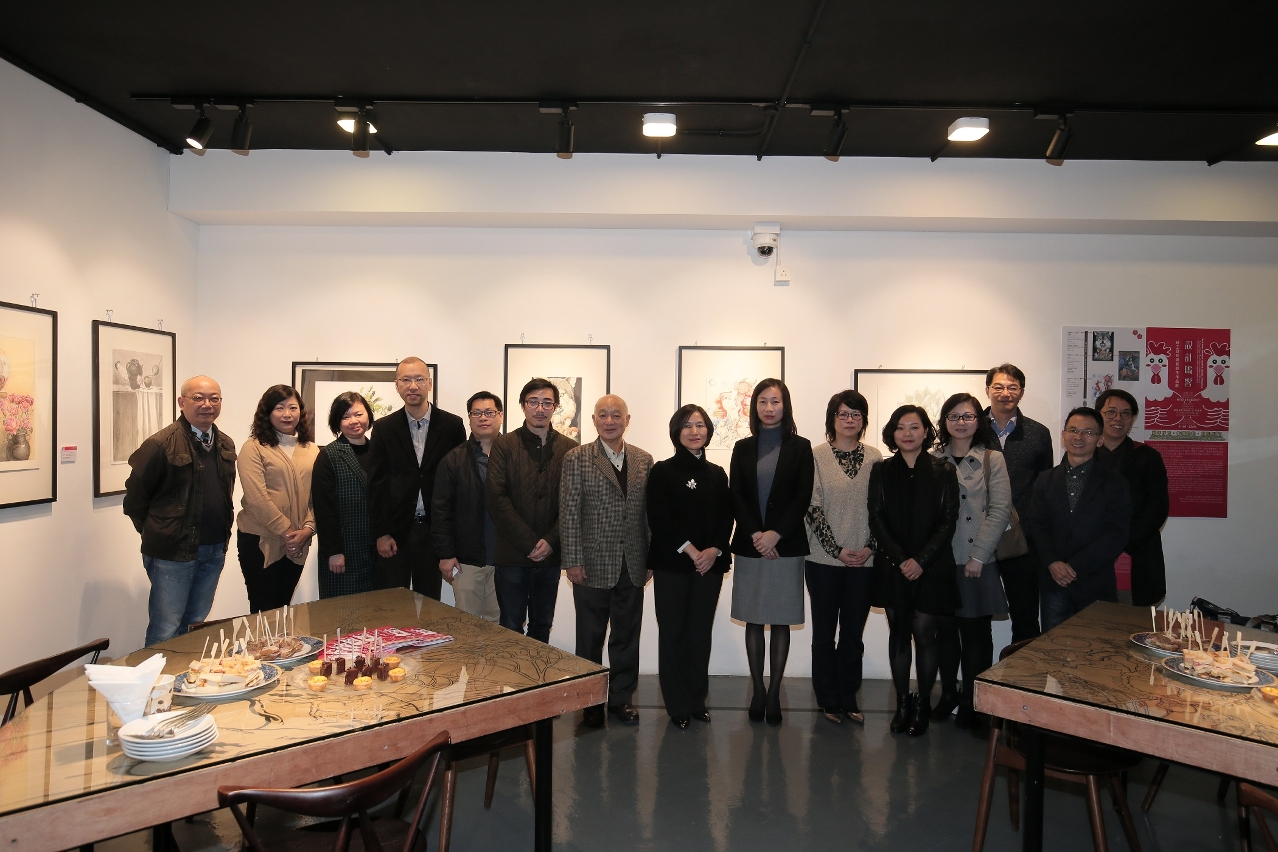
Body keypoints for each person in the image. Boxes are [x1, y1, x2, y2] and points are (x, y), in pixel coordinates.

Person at [561, 395, 654, 727]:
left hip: (633, 562)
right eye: (604, 415)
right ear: (594, 420)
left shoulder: (644, 460)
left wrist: (650, 559)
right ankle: (589, 702)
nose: (611, 420)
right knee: (590, 637)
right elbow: (569, 512)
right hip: (590, 563)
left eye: (617, 415)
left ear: (627, 420)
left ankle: (621, 700)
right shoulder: (577, 458)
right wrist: (572, 560)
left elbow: (648, 516)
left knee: (626, 636)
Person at [867, 405, 960, 737]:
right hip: (893, 567)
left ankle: (922, 705)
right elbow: (876, 517)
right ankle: (902, 704)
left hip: (931, 568)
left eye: (914, 427)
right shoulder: (881, 470)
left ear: (926, 432)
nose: (907, 433)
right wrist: (900, 558)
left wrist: (920, 560)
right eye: (900, 427)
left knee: (925, 636)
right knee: (898, 635)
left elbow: (948, 521)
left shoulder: (943, 471)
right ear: (892, 434)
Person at [124, 376, 237, 646]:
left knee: (195, 623)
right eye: (198, 398)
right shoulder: (160, 444)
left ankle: (183, 684)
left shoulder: (225, 444)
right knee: (166, 628)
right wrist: (161, 531)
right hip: (172, 554)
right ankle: (156, 687)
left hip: (213, 549)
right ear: (181, 402)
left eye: (214, 398)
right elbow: (135, 501)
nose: (207, 404)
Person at [729, 379, 814, 727]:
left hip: (787, 545)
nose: (768, 408)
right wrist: (756, 535)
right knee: (753, 618)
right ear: (755, 407)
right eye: (762, 401)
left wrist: (776, 534)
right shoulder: (742, 446)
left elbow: (802, 496)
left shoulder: (801, 446)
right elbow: (737, 495)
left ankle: (775, 690)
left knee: (780, 619)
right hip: (751, 547)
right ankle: (758, 690)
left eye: (775, 401)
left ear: (785, 405)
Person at [647, 404, 733, 730]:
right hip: (673, 565)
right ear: (676, 432)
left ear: (708, 430)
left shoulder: (717, 473)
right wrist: (693, 550)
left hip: (709, 566)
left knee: (700, 634)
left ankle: (697, 701)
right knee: (673, 634)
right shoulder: (663, 470)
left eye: (700, 425)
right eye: (687, 426)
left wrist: (713, 550)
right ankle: (677, 705)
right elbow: (660, 518)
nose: (694, 431)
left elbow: (727, 516)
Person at [931, 393, 1011, 728]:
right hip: (940, 561)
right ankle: (948, 692)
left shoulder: (993, 458)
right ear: (944, 422)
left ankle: (973, 703)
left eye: (968, 416)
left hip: (977, 561)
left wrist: (979, 556)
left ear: (979, 420)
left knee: (976, 635)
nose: (960, 422)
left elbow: (999, 510)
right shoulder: (932, 458)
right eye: (953, 416)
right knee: (945, 633)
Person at [803, 390, 882, 725]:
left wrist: (869, 547)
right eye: (843, 414)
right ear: (831, 419)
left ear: (863, 421)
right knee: (823, 634)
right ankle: (827, 699)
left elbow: (882, 510)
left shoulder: (876, 457)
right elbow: (812, 507)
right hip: (823, 561)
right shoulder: (816, 456)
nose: (849, 420)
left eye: (856, 414)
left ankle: (849, 696)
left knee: (852, 634)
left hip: (865, 561)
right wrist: (836, 549)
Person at [368, 357, 466, 599]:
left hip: (435, 532)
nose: (413, 386)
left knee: (430, 604)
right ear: (397, 385)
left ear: (429, 384)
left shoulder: (452, 426)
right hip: (395, 533)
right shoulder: (383, 428)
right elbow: (376, 484)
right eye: (406, 380)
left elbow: (460, 483)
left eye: (419, 379)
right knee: (391, 605)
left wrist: (451, 538)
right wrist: (381, 533)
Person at [1028, 407, 1132, 632]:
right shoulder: (1045, 480)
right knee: (1053, 654)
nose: (1079, 437)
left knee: (1096, 657)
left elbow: (1116, 534)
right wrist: (1053, 563)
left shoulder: (1116, 484)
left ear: (1100, 439)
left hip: (1096, 583)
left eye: (1088, 432)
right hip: (1053, 583)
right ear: (1063, 435)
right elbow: (1037, 526)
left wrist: (1075, 567)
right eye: (1073, 430)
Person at [487, 378, 574, 642]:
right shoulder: (504, 445)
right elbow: (496, 497)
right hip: (512, 554)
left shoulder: (570, 449)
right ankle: (513, 684)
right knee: (511, 625)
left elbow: (572, 503)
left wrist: (550, 541)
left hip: (551, 556)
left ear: (555, 407)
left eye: (547, 403)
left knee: (541, 625)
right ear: (523, 406)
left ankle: (539, 683)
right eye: (533, 402)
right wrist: (529, 542)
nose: (540, 408)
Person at [984, 363, 1054, 643]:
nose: (1005, 393)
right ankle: (979, 683)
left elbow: (1044, 488)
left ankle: (1022, 684)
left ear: (1021, 392)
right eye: (998, 386)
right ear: (987, 390)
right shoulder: (972, 427)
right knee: (977, 615)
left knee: (1025, 616)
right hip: (978, 537)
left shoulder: (1038, 433)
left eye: (1012, 387)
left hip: (1022, 540)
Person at [236, 385, 320, 612]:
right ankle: (262, 649)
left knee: (283, 608)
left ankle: (281, 649)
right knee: (263, 609)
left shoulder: (311, 449)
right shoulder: (253, 448)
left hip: (299, 541)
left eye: (293, 408)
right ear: (267, 412)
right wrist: (288, 533)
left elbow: (317, 496)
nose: (287, 414)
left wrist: (307, 529)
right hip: (260, 541)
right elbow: (257, 499)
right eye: (279, 408)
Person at [431, 391, 504, 622]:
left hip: (506, 560)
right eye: (477, 413)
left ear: (500, 416)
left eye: (489, 412)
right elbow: (440, 510)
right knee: (467, 626)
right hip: (466, 561)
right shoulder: (453, 459)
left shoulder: (515, 455)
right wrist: (446, 553)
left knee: (504, 627)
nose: (483, 418)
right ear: (469, 418)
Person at [1095, 389, 1169, 607]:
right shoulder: (1084, 454)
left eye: (1126, 414)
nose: (1118, 419)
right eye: (1111, 412)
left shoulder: (1147, 456)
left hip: (1138, 551)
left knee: (1135, 629)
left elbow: (1157, 507)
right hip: (1092, 555)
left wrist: (1121, 539)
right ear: (1099, 414)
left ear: (1133, 419)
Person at [312, 392, 378, 599]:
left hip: (377, 552)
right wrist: (333, 551)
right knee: (342, 616)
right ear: (336, 422)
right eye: (345, 417)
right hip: (343, 553)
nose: (354, 421)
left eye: (358, 414)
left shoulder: (379, 451)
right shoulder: (329, 455)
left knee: (376, 615)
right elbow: (324, 508)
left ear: (368, 415)